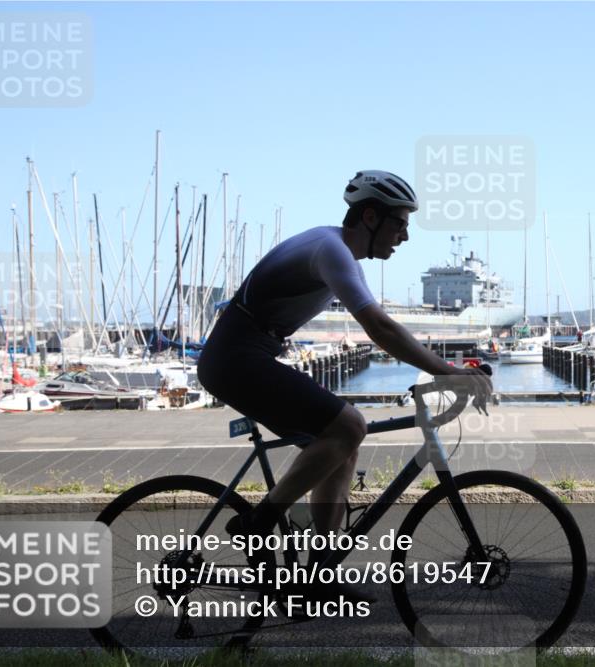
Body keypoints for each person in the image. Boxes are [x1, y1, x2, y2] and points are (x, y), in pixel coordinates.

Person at [196, 170, 492, 599]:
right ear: (370, 217)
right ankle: (257, 523)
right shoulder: (331, 251)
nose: (404, 236)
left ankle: (318, 577)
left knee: (344, 445)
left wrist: (441, 368)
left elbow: (385, 327)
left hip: (247, 354)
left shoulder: (338, 252)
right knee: (350, 425)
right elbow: (379, 327)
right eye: (399, 224)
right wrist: (450, 372)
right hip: (235, 358)